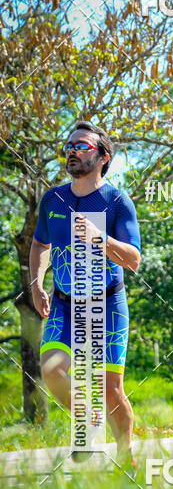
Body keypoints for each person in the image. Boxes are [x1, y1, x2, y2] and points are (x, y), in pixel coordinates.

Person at [30, 121, 141, 466]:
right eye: (69, 145)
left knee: (111, 391)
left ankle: (125, 454)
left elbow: (134, 259)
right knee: (51, 368)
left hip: (107, 305)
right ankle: (88, 418)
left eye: (82, 146)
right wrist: (36, 282)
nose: (73, 151)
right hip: (64, 304)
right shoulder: (53, 198)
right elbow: (40, 243)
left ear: (104, 156)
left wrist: (100, 238)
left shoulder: (116, 201)